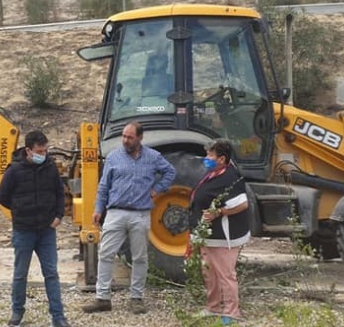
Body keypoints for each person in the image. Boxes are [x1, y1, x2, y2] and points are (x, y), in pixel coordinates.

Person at [82, 121, 176, 315]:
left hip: (140, 214)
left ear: (140, 138)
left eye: (129, 137)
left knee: (140, 257)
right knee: (106, 254)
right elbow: (103, 186)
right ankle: (102, 298)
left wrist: (158, 189)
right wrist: (98, 209)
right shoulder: (114, 157)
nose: (125, 140)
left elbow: (170, 172)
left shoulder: (153, 157)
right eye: (124, 136)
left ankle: (136, 298)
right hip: (115, 213)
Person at [0, 131, 71, 327]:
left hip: (47, 231)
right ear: (28, 151)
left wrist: (59, 215)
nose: (43, 154)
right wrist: (21, 211)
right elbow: (2, 196)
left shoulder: (50, 168)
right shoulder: (13, 171)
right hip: (24, 231)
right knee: (20, 274)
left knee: (52, 274)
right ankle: (17, 313)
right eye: (39, 151)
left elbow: (59, 193)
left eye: (45, 150)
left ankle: (58, 316)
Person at [187, 139, 250, 325]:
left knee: (225, 274)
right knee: (209, 273)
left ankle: (232, 312)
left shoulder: (231, 177)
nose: (206, 158)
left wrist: (219, 212)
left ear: (221, 159)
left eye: (210, 156)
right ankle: (212, 307)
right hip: (208, 236)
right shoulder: (214, 173)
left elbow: (242, 204)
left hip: (224, 237)